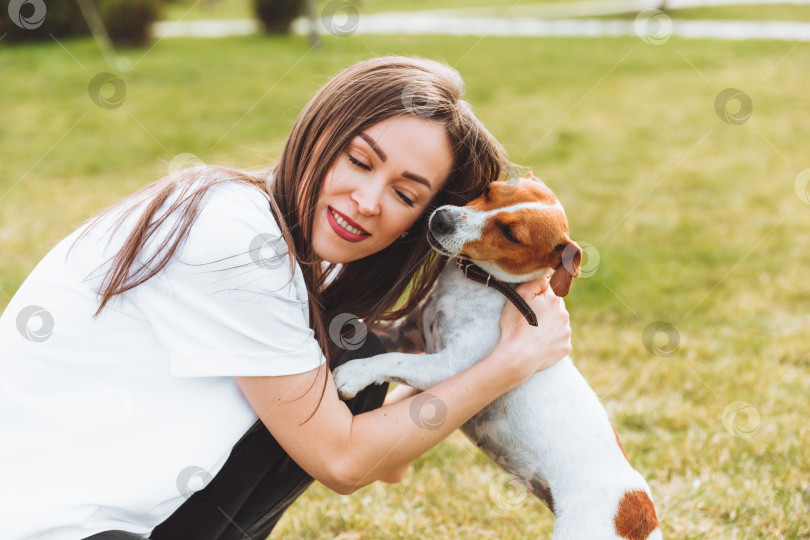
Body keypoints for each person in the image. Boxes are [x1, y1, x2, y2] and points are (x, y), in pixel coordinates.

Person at [0, 56, 572, 539]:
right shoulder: (234, 234)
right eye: (359, 159)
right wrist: (512, 361)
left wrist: (477, 344)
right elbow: (344, 459)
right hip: (46, 527)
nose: (369, 200)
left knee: (353, 355)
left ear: (416, 223)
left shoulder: (304, 266)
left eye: (403, 193)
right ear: (319, 128)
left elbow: (387, 461)